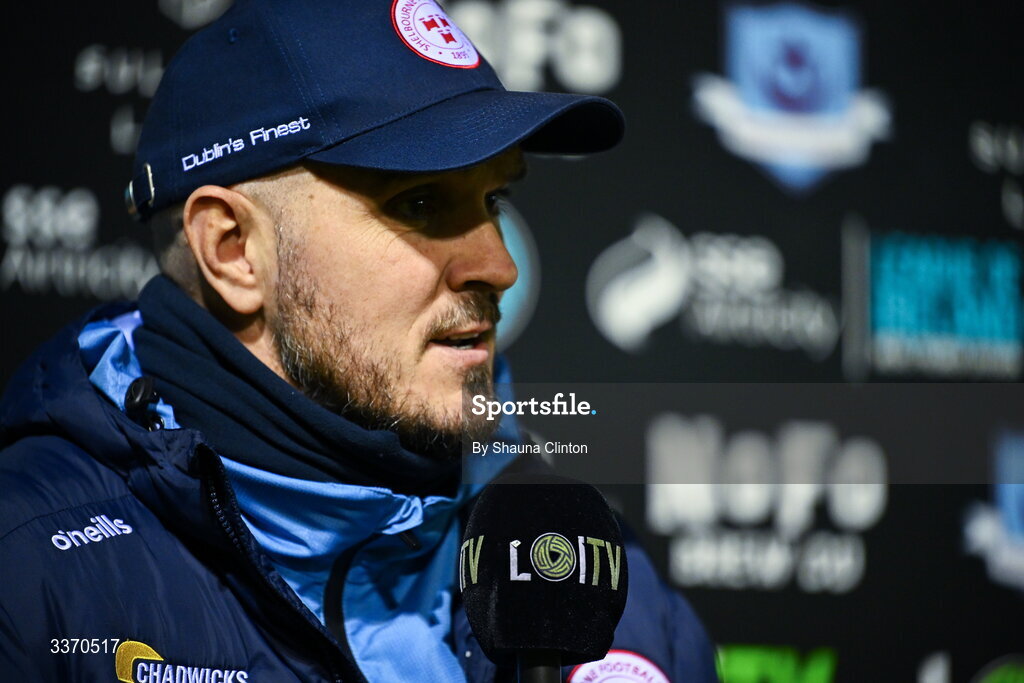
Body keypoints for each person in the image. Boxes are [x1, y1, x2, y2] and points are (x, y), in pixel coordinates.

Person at [0, 1, 718, 681]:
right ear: (233, 250)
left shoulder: (592, 575)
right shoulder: (33, 570)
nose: (500, 267)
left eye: (494, 199)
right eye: (421, 202)